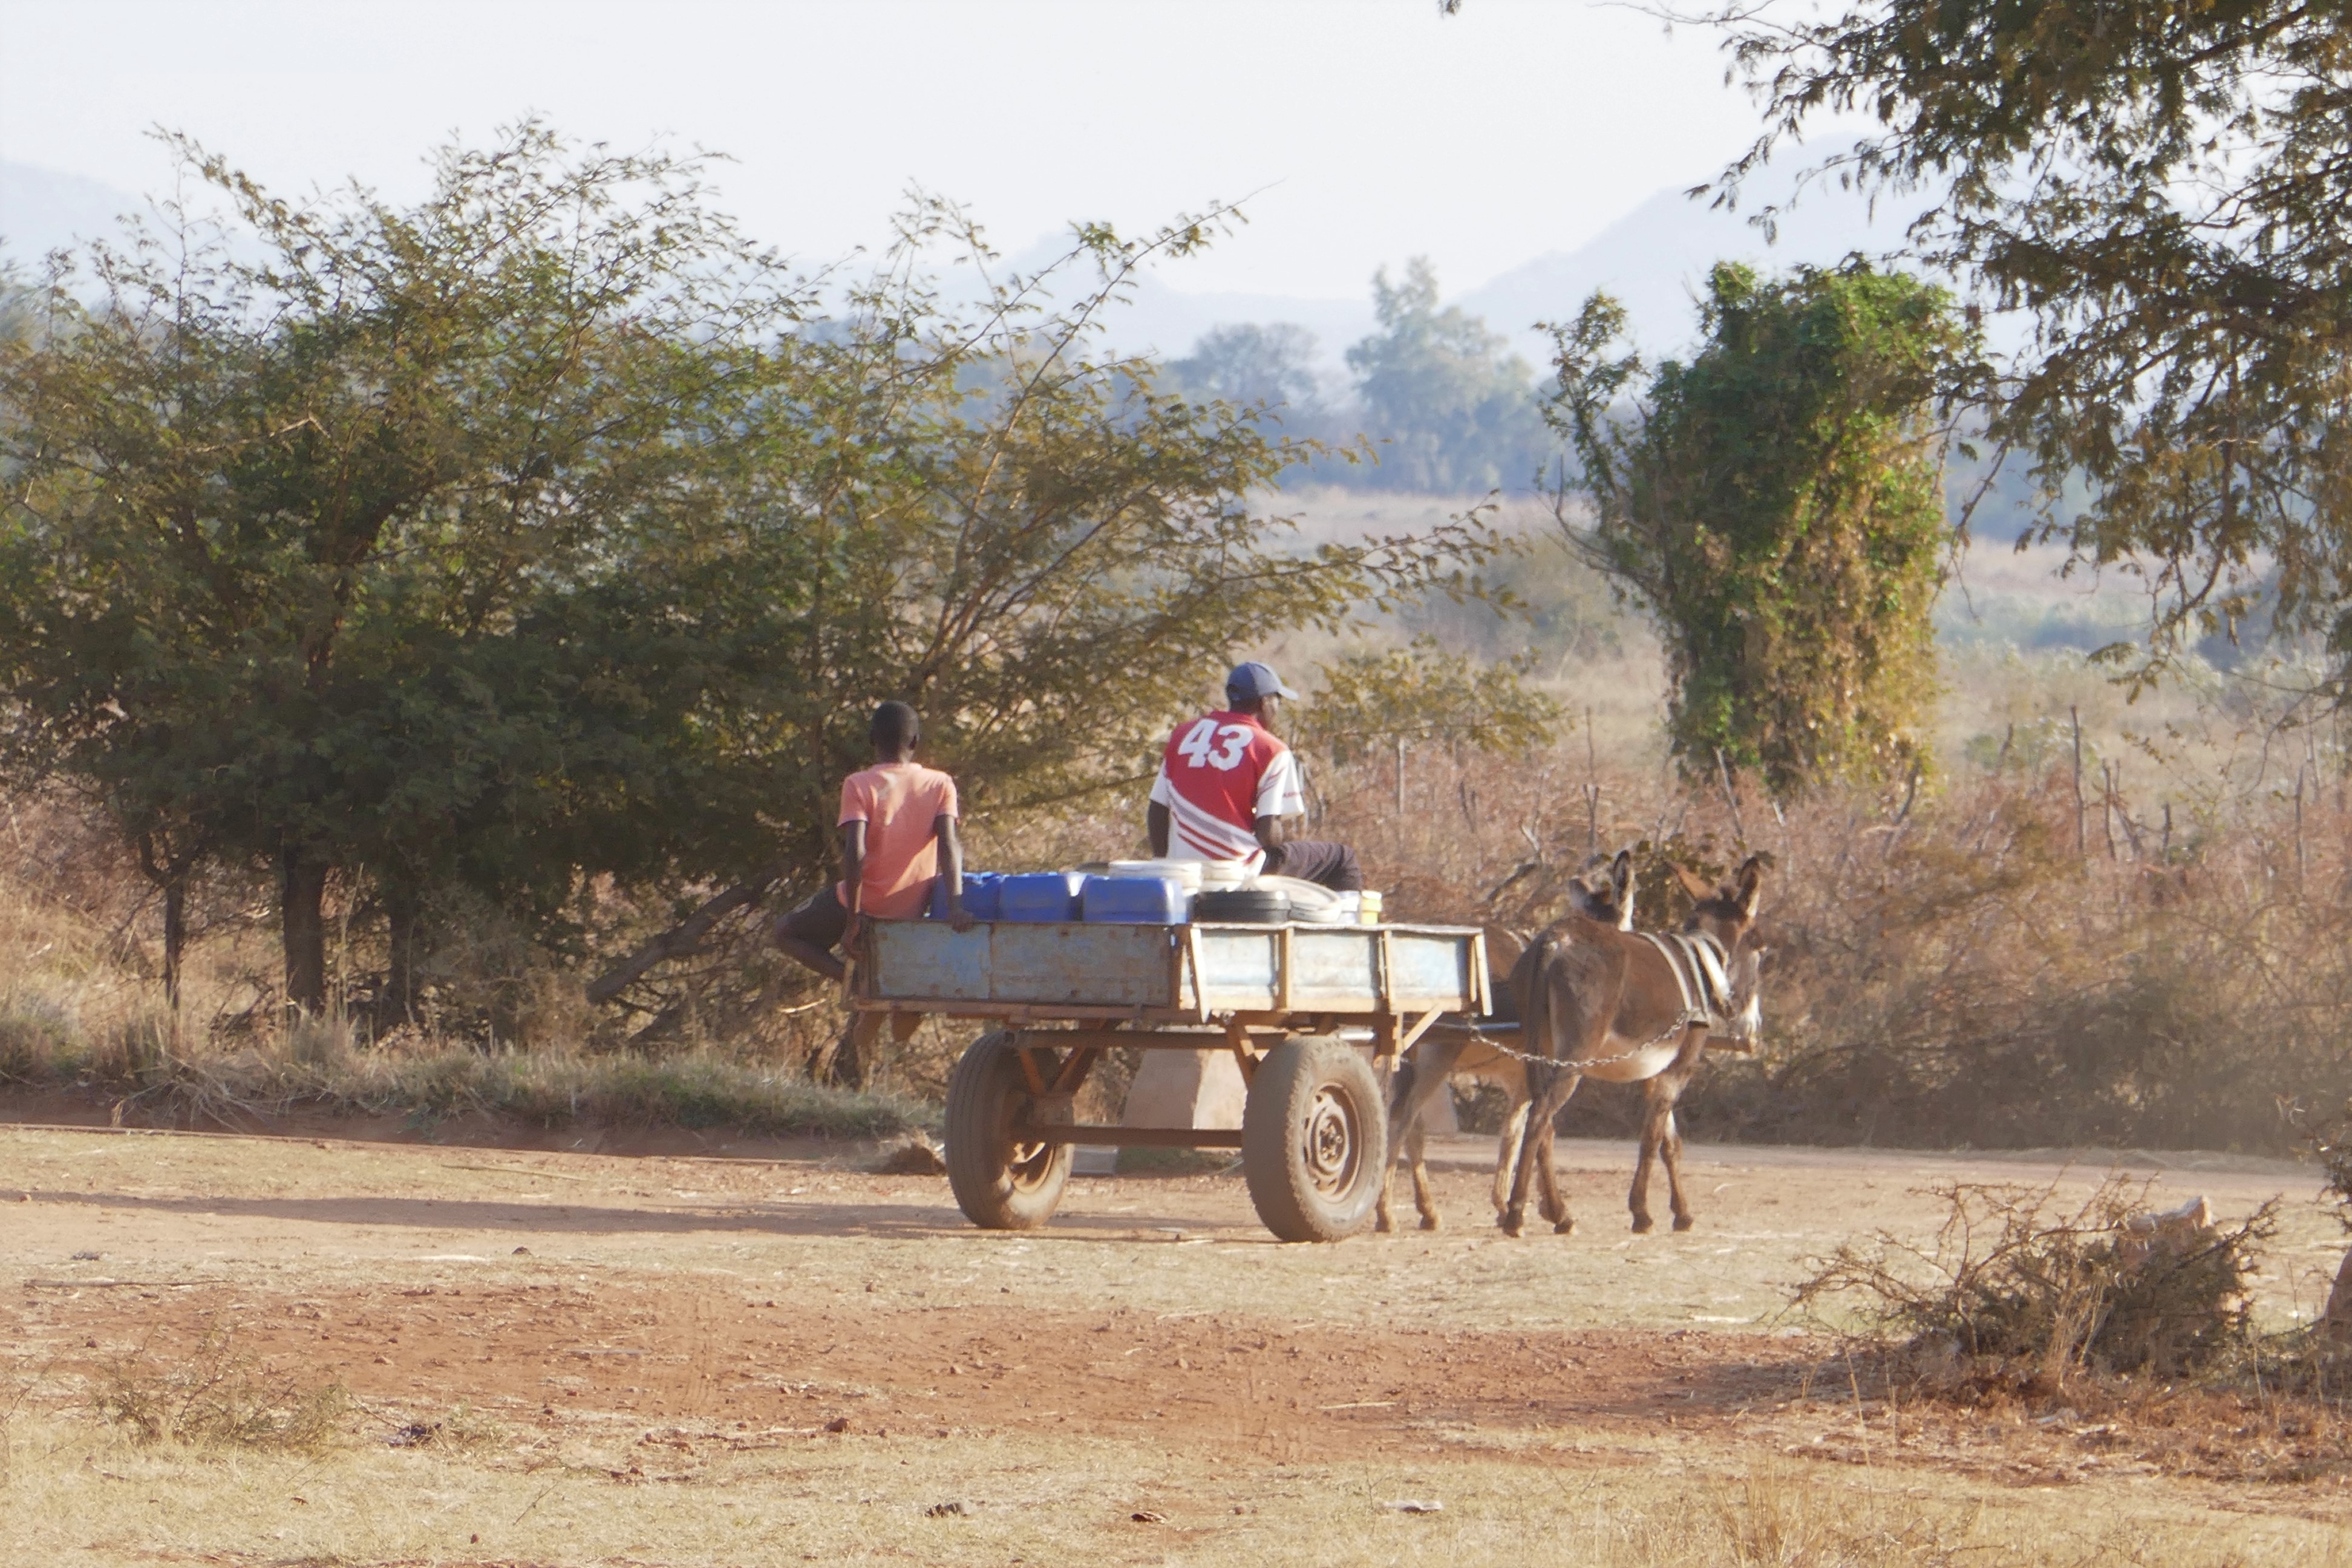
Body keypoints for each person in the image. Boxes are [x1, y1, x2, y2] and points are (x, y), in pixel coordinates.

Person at [773, 702, 969, 1082]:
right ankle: (894, 996)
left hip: (867, 900)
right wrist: (957, 905)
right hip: (912, 905)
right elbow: (949, 844)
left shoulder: (859, 784)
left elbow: (856, 853)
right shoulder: (940, 783)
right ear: (915, 741)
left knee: (785, 932)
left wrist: (853, 920)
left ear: (871, 740)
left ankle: (862, 984)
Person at [1146, 661, 1363, 890]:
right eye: (1278, 701)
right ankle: (1346, 913)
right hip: (1240, 872)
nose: (1277, 709)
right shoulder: (1271, 749)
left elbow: (1157, 809)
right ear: (1264, 702)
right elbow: (1268, 836)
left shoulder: (1183, 735)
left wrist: (1165, 864)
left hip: (1185, 873)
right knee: (1343, 858)